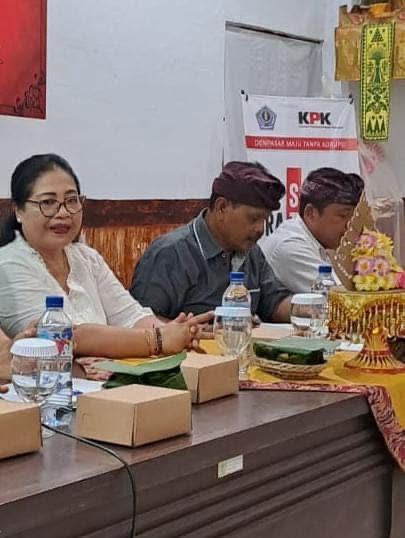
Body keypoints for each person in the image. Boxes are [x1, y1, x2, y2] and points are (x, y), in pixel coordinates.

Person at [0, 154, 208, 376]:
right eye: (48, 203)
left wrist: (177, 333)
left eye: (71, 201)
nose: (63, 213)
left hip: (107, 382)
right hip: (52, 388)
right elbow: (64, 337)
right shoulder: (7, 265)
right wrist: (158, 340)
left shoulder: (86, 258)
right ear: (18, 211)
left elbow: (130, 315)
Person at [131, 161, 292, 322]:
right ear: (222, 207)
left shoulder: (251, 252)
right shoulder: (170, 254)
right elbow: (140, 322)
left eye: (265, 220)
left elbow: (274, 303)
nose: (260, 229)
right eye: (253, 218)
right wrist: (191, 331)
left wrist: (303, 308)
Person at [259, 168, 364, 293]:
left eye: (353, 218)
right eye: (343, 216)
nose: (350, 226)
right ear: (311, 213)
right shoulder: (291, 246)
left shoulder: (315, 241)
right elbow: (340, 299)